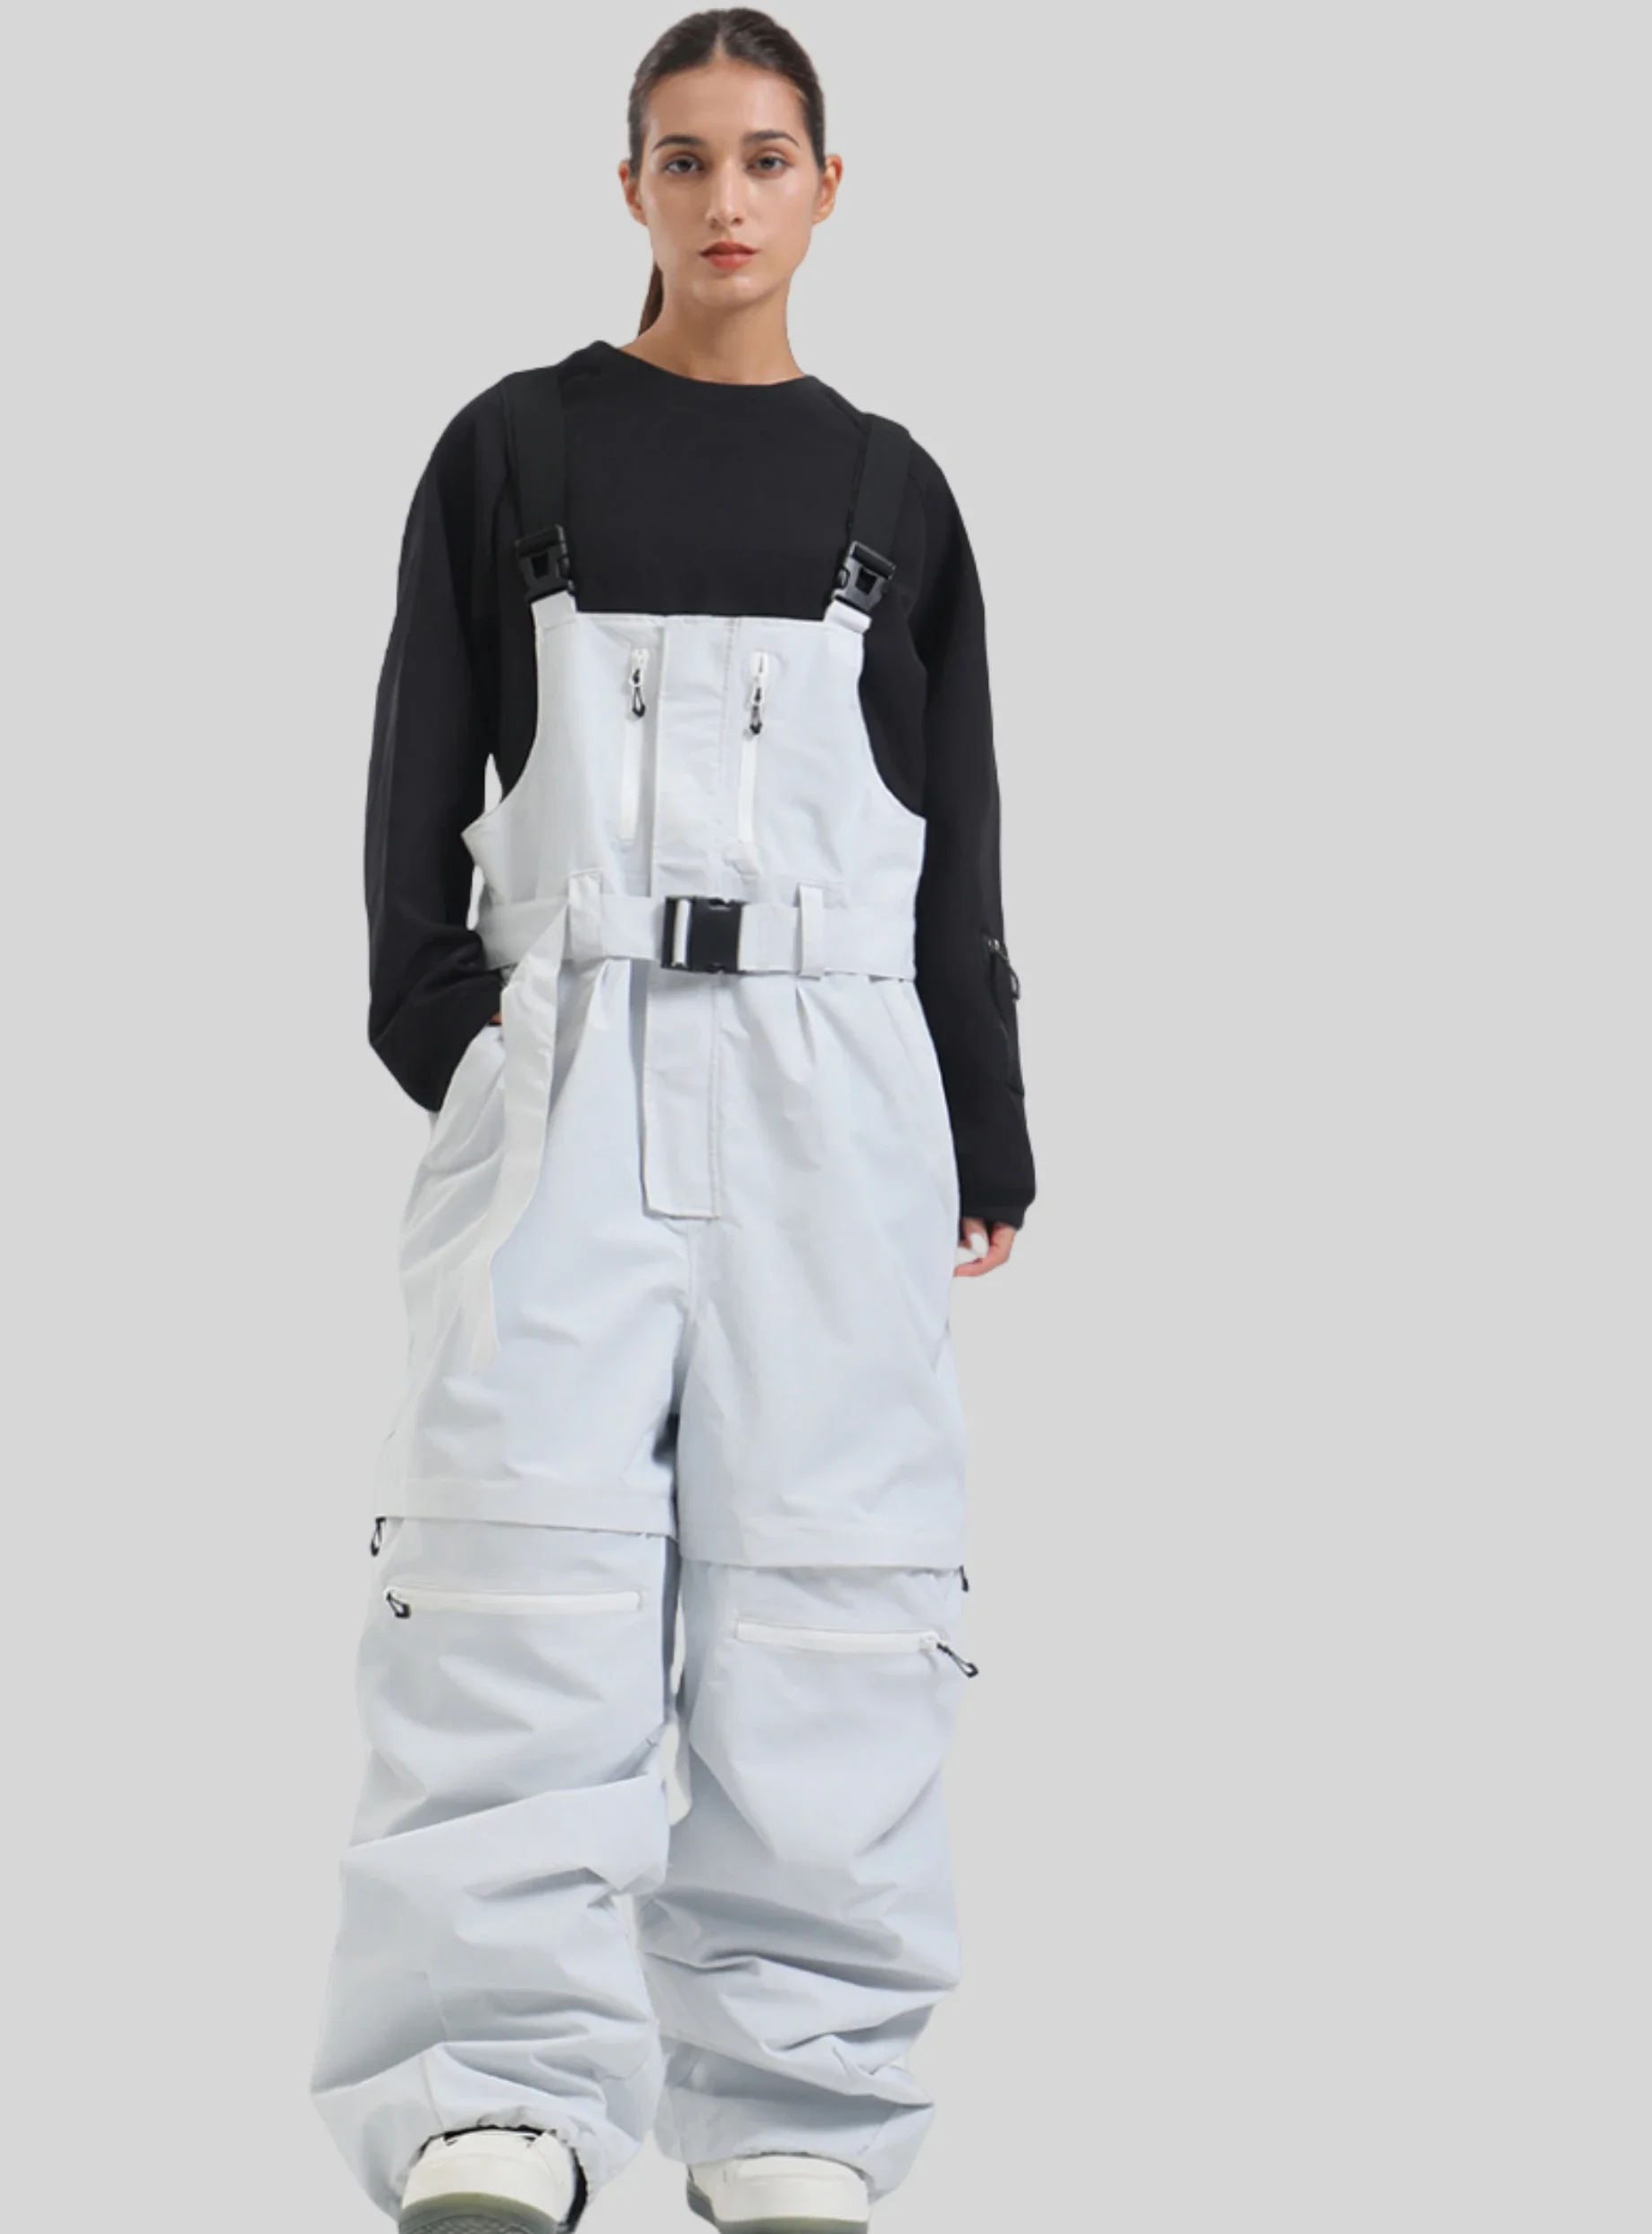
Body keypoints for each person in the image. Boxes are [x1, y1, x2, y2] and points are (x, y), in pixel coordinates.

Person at [309, 12, 1035, 2230]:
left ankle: (796, 2101)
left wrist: (983, 1124)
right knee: (511, 1564)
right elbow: (415, 788)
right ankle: (488, 2093)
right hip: (571, 1060)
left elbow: (958, 838)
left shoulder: (893, 489)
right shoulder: (508, 450)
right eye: (684, 156)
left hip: (837, 1092)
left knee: (828, 1582)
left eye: (765, 156)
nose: (726, 198)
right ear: (625, 183)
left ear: (828, 184)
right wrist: (462, 1043)